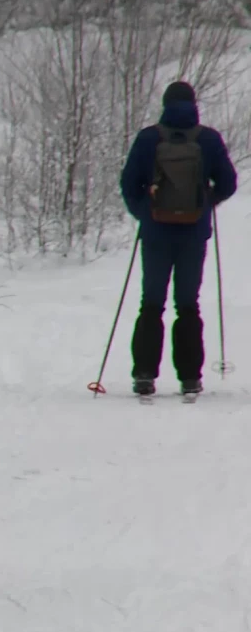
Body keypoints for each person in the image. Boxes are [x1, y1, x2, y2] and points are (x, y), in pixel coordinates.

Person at [120, 80, 237, 397]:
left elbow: (128, 184)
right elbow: (228, 183)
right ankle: (190, 378)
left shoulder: (148, 138)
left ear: (165, 104)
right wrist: (205, 202)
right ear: (194, 104)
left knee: (151, 303)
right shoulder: (208, 139)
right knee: (188, 304)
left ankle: (144, 375)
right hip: (192, 234)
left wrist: (145, 211)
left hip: (156, 233)